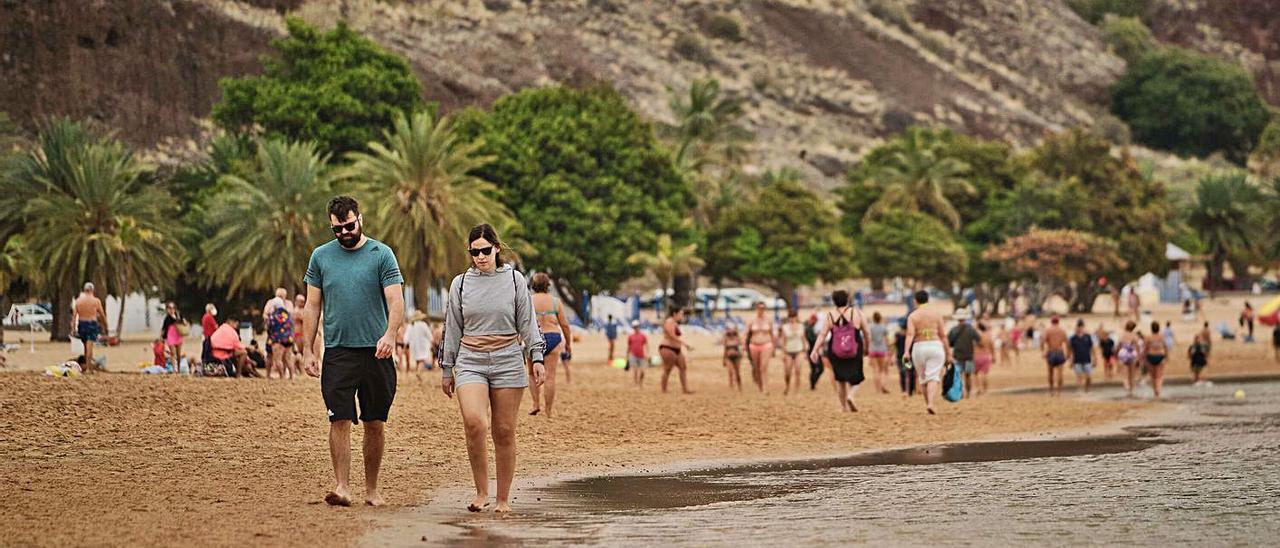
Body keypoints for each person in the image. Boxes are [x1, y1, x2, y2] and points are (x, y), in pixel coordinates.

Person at [300, 195, 405, 508]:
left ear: (360, 218)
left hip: (377, 352)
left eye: (348, 226)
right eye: (337, 229)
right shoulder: (320, 257)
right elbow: (312, 304)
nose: (344, 232)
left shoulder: (381, 254)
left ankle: (372, 490)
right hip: (337, 352)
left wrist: (390, 334)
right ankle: (343, 486)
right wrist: (307, 349)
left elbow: (396, 301)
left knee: (375, 422)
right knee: (339, 419)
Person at [439, 223, 543, 514]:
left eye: (486, 250)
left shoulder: (514, 280)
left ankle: (502, 499)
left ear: (497, 248)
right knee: (475, 422)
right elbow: (452, 327)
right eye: (475, 252)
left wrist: (536, 356)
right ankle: (481, 491)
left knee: (504, 430)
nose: (481, 256)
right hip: (470, 359)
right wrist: (447, 368)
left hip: (508, 358)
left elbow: (527, 320)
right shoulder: (460, 284)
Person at [810, 290, 869, 412]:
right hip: (855, 348)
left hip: (836, 351)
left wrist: (814, 350)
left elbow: (822, 334)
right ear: (847, 299)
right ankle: (851, 395)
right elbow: (867, 333)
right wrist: (867, 347)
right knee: (857, 377)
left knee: (840, 379)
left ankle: (843, 407)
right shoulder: (857, 313)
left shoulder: (830, 315)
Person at [528, 272, 572, 417]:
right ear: (548, 285)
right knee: (550, 376)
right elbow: (564, 325)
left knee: (531, 373)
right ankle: (548, 411)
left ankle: (535, 404)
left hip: (533, 338)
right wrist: (568, 344)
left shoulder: (528, 300)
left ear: (533, 285)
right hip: (553, 337)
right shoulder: (555, 301)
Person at [902, 290, 949, 414]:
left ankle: (928, 403)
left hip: (919, 347)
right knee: (933, 377)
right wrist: (949, 353)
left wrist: (906, 351)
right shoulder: (937, 315)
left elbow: (910, 334)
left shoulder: (913, 316)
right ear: (928, 300)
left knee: (923, 378)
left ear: (915, 301)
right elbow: (943, 335)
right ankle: (931, 403)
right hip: (935, 345)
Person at [71, 282, 108, 373]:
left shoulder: (79, 301)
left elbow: (74, 316)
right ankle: (88, 368)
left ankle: (87, 366)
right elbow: (102, 315)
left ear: (84, 290)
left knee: (86, 346)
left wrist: (73, 328)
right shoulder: (96, 301)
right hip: (91, 324)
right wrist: (105, 325)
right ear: (92, 290)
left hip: (82, 324)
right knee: (89, 346)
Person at [745, 301, 778, 394]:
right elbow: (746, 334)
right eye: (759, 308)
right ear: (756, 309)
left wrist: (774, 347)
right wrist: (743, 345)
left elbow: (772, 334)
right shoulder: (751, 320)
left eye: (763, 308)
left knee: (764, 367)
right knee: (756, 367)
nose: (761, 310)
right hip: (754, 345)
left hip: (766, 344)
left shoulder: (769, 320)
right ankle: (760, 385)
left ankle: (765, 387)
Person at [263, 288, 296, 380]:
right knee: (288, 358)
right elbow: (292, 324)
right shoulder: (287, 314)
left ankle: (282, 376)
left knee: (278, 359)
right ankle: (292, 376)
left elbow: (270, 326)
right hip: (288, 338)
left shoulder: (273, 315)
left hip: (277, 339)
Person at [658, 308, 694, 394]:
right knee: (667, 369)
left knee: (683, 367)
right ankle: (664, 390)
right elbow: (672, 335)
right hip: (668, 347)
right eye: (680, 314)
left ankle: (685, 389)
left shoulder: (674, 323)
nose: (682, 316)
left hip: (676, 349)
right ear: (674, 313)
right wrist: (685, 344)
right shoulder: (669, 321)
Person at [947, 309, 979, 399]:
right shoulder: (971, 329)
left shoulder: (953, 330)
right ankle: (968, 394)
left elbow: (949, 342)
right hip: (969, 356)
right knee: (968, 376)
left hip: (957, 356)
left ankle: (961, 394)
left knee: (958, 376)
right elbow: (978, 339)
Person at [779, 310, 808, 396]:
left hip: (799, 350)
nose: (792, 319)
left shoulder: (801, 326)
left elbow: (803, 338)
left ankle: (797, 390)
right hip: (788, 351)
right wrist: (783, 353)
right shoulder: (785, 327)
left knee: (798, 370)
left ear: (796, 317)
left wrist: (805, 350)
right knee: (788, 372)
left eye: (794, 317)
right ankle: (787, 386)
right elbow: (783, 341)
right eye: (791, 317)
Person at [1041, 316, 1069, 396]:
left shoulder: (1048, 331)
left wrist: (1043, 351)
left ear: (1051, 322)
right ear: (1058, 322)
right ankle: (1059, 392)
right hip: (1060, 352)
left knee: (1050, 373)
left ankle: (1051, 391)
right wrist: (1068, 354)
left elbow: (1043, 341)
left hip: (1051, 352)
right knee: (1060, 373)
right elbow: (1067, 343)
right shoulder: (1062, 331)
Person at [1116, 321, 1143, 397]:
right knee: (1132, 374)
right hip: (1131, 354)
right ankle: (1131, 390)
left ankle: (1126, 385)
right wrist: (1139, 357)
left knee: (1124, 373)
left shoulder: (1122, 335)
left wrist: (1116, 354)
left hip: (1123, 353)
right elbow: (1137, 347)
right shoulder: (1135, 336)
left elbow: (1118, 346)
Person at [1068, 320, 1096, 393]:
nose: (1080, 328)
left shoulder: (1088, 337)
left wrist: (1094, 358)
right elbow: (1070, 351)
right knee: (1079, 377)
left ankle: (1087, 390)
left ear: (1083, 327)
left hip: (1087, 359)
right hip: (1077, 360)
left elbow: (1092, 348)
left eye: (1081, 327)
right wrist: (1070, 361)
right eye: (1078, 327)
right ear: (1076, 327)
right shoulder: (1073, 338)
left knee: (1089, 377)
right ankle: (1080, 391)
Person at [867, 312, 891, 394]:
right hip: (882, 350)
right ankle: (882, 386)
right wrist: (889, 349)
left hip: (873, 350)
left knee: (875, 371)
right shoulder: (883, 327)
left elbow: (869, 339)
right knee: (882, 370)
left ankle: (877, 390)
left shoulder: (871, 327)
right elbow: (887, 340)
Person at [405, 310, 434, 378]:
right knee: (422, 359)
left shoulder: (411, 325)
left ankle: (418, 371)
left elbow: (407, 336)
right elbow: (428, 334)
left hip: (414, 345)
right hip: (422, 344)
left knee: (418, 358)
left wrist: (406, 343)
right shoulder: (423, 325)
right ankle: (418, 372)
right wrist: (432, 340)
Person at [160, 301, 187, 372]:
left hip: (178, 336)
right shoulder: (167, 318)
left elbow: (184, 323)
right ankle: (174, 369)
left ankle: (178, 368)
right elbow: (164, 329)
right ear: (167, 309)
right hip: (170, 337)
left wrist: (184, 322)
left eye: (172, 308)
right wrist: (161, 338)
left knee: (178, 354)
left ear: (175, 309)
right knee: (172, 353)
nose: (171, 310)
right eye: (169, 308)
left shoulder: (179, 315)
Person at [1144, 322, 1168, 398]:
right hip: (1160, 356)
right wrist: (1166, 357)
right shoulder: (1162, 337)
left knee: (1152, 376)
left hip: (1151, 356)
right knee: (1159, 375)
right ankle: (1158, 390)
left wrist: (1144, 358)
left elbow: (1145, 348)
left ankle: (1155, 391)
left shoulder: (1148, 337)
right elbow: (1166, 347)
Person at [893, 317, 915, 397]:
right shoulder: (911, 335)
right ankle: (910, 391)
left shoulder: (897, 335)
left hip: (900, 356)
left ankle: (904, 390)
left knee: (902, 373)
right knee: (911, 373)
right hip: (910, 356)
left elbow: (894, 345)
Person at [973, 321, 994, 396]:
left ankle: (978, 389)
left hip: (975, 356)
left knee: (975, 374)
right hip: (986, 356)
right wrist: (993, 356)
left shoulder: (975, 336)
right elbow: (992, 346)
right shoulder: (988, 336)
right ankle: (985, 390)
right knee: (985, 374)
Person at [721, 324, 744, 391]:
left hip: (737, 356)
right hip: (728, 356)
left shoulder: (737, 338)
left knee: (737, 372)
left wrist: (741, 355)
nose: (731, 333)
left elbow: (741, 347)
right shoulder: (726, 339)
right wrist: (724, 359)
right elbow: (725, 349)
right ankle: (731, 385)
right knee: (730, 371)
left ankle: (739, 385)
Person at [626, 320, 648, 388]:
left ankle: (640, 382)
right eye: (635, 327)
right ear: (633, 327)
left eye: (637, 326)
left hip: (641, 355)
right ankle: (636, 383)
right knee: (635, 370)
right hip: (633, 355)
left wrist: (647, 353)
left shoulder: (643, 336)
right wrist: (627, 355)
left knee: (642, 371)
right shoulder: (630, 336)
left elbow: (646, 345)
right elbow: (629, 346)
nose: (636, 328)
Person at [804, 313, 823, 390]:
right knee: (816, 368)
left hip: (813, 350)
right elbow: (811, 340)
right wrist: (818, 337)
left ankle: (813, 384)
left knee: (815, 368)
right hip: (813, 350)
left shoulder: (810, 327)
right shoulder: (809, 328)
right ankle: (812, 384)